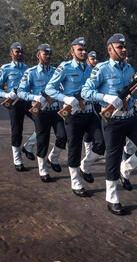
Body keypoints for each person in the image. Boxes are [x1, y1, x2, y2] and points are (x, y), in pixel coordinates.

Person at [81, 33, 137, 215]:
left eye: (124, 46)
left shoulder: (129, 68)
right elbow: (85, 91)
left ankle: (126, 168)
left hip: (131, 116)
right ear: (110, 49)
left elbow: (135, 95)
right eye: (119, 47)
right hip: (112, 119)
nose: (124, 49)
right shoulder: (101, 69)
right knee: (112, 158)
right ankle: (112, 197)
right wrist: (105, 97)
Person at [46, 37, 106, 197]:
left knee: (101, 143)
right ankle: (76, 182)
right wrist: (65, 98)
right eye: (80, 49)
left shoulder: (90, 69)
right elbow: (49, 88)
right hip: (73, 115)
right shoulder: (64, 67)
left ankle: (85, 165)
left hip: (90, 113)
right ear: (72, 51)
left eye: (85, 49)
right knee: (74, 148)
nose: (83, 52)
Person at [18, 44, 67, 182]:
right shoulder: (31, 72)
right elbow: (21, 92)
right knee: (42, 141)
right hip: (41, 112)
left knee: (63, 136)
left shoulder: (56, 71)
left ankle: (53, 157)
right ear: (38, 55)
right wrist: (34, 97)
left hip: (56, 110)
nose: (48, 56)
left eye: (50, 54)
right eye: (45, 54)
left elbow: (62, 87)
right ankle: (43, 169)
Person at [0, 42, 37, 172]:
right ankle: (17, 160)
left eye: (21, 51)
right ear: (11, 53)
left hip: (27, 101)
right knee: (17, 131)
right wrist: (7, 94)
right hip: (14, 103)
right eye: (17, 51)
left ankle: (28, 146)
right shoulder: (5, 68)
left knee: (41, 124)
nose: (19, 54)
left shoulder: (27, 68)